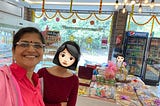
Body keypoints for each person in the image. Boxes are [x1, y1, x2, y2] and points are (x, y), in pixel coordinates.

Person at [0, 27, 45, 106]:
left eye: (37, 45)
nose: (31, 50)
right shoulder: (3, 79)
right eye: (24, 44)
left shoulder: (37, 81)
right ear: (13, 50)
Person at [38, 41, 81, 106]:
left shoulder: (74, 79)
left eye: (71, 57)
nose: (66, 59)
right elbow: (35, 100)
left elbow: (71, 104)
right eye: (63, 55)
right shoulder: (42, 73)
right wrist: (59, 105)